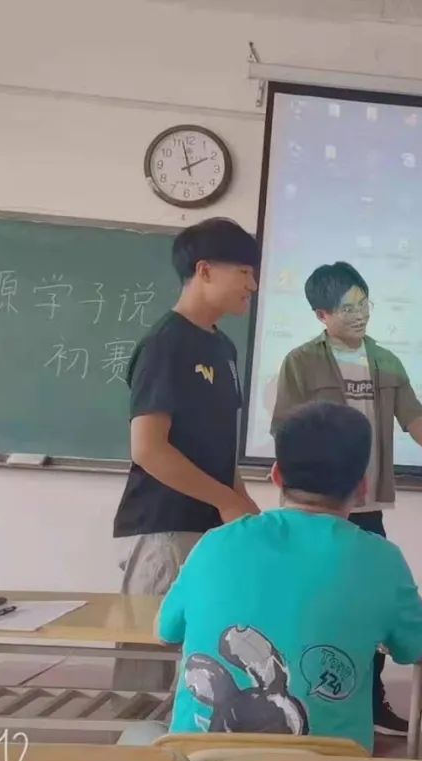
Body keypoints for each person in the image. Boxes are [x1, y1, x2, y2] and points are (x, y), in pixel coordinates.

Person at [154, 401, 422, 752]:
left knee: (145, 735)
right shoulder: (382, 560)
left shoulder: (215, 543)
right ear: (363, 487)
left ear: (276, 475)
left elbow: (165, 632)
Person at [271, 261, 422, 737]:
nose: (360, 314)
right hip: (315, 503)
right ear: (322, 314)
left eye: (364, 304)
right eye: (348, 308)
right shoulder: (301, 362)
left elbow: (412, 412)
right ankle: (295, 694)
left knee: (366, 604)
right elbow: (286, 427)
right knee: (310, 596)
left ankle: (371, 700)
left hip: (364, 503)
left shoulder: (386, 361)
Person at [112, 218, 261, 692]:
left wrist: (243, 506)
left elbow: (218, 446)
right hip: (164, 526)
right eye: (244, 272)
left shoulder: (223, 348)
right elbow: (148, 448)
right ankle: (135, 742)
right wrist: (227, 500)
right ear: (205, 270)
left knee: (199, 668)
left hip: (210, 529)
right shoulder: (166, 343)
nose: (253, 285)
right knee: (148, 676)